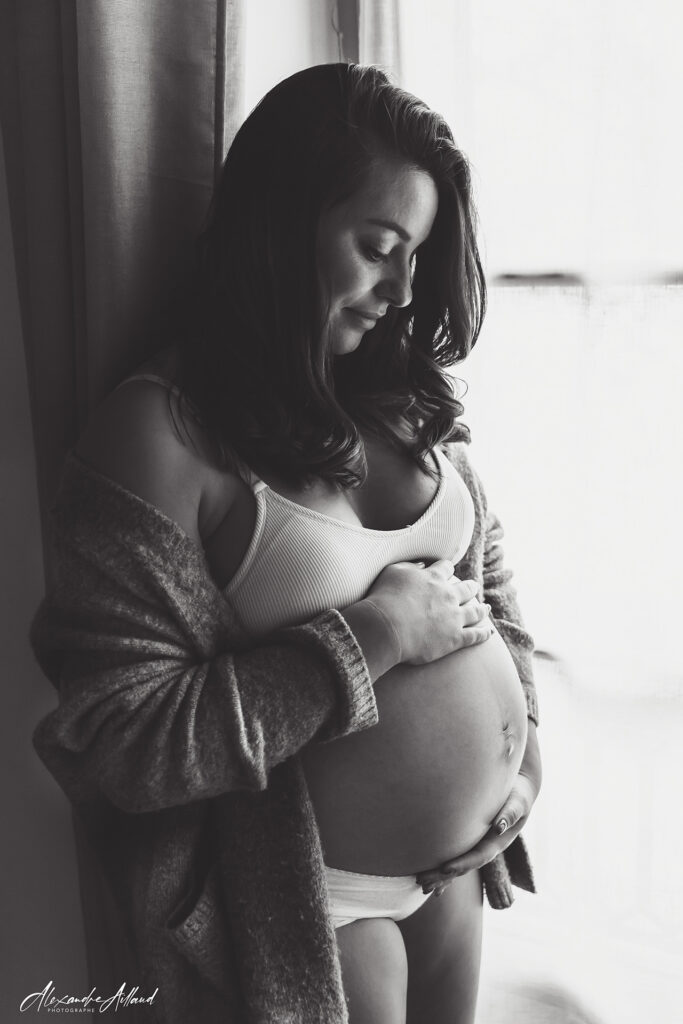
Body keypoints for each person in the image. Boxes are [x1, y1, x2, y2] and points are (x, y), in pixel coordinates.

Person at [30, 63, 541, 1024]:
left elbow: (489, 586)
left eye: (417, 256)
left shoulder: (398, 398)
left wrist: (525, 759)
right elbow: (118, 741)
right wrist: (369, 641)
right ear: (282, 223)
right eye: (378, 246)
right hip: (317, 903)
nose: (400, 289)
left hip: (456, 880)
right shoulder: (162, 435)